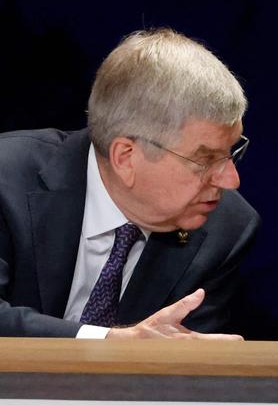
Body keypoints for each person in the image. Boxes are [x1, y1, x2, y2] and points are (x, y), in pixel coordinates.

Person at [0, 28, 260, 339]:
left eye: (232, 152)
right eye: (205, 159)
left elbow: (182, 361)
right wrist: (108, 343)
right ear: (126, 157)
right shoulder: (8, 178)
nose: (231, 180)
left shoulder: (227, 228)